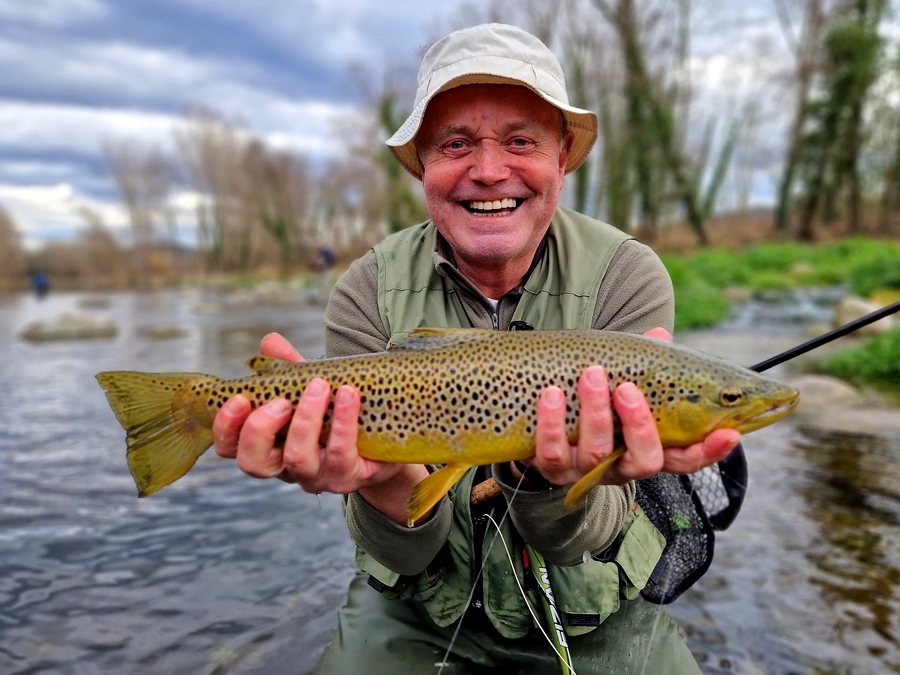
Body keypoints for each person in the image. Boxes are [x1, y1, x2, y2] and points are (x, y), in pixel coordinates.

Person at [212, 24, 740, 673]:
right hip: (418, 608)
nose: (489, 171)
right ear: (425, 167)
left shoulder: (625, 275)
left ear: (564, 156)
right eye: (456, 144)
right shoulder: (366, 289)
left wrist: (545, 476)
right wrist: (381, 479)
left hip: (595, 605)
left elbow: (593, 532)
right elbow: (406, 552)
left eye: (520, 140)